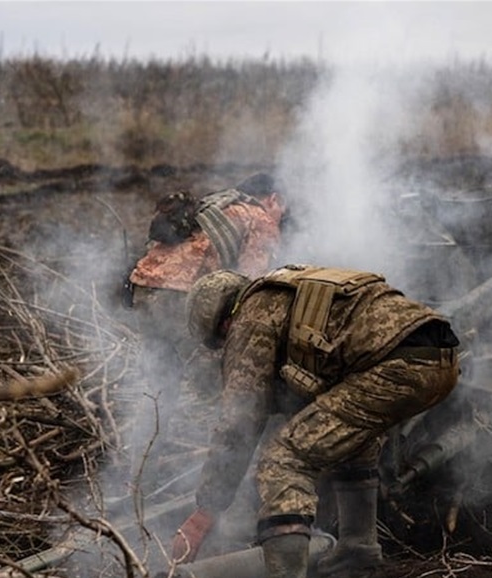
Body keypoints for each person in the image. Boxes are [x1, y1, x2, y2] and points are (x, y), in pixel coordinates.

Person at [171, 264, 461, 578]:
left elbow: (240, 420)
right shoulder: (285, 293)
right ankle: (357, 549)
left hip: (398, 365)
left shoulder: (251, 316)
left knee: (284, 460)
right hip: (439, 358)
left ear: (223, 323)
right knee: (346, 439)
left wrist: (205, 511)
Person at [124, 173, 287, 389]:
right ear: (273, 199)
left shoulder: (216, 205)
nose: (280, 219)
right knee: (214, 378)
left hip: (142, 289)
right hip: (178, 298)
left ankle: (151, 421)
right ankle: (218, 422)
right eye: (282, 212)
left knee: (162, 373)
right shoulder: (261, 218)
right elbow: (253, 284)